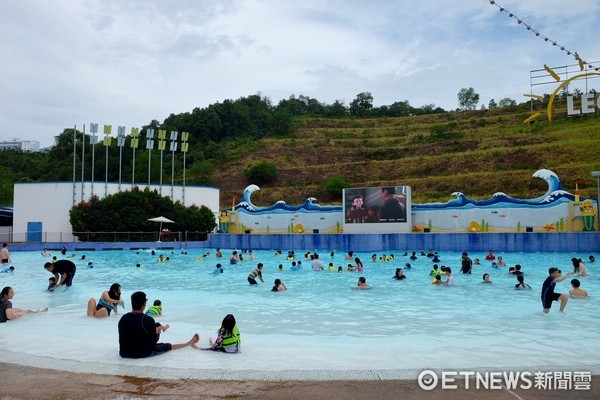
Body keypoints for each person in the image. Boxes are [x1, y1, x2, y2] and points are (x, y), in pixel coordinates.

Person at [119, 291, 197, 358]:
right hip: (141, 354)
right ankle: (187, 344)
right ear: (144, 303)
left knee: (156, 324)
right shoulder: (147, 319)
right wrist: (158, 332)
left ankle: (158, 328)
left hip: (124, 353)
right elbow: (153, 342)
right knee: (166, 346)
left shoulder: (123, 318)